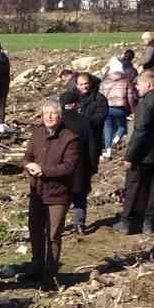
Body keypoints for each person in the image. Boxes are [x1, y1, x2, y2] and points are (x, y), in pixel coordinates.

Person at [24, 101, 80, 287]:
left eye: (53, 113)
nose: (49, 116)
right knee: (35, 229)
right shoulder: (37, 133)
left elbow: (69, 167)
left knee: (53, 234)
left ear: (60, 116)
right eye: (46, 113)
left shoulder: (70, 138)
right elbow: (28, 156)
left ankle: (50, 274)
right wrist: (29, 166)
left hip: (58, 194)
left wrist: (44, 171)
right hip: (37, 191)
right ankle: (36, 265)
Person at [119, 73, 154, 235]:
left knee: (133, 187)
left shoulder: (146, 102)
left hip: (143, 153)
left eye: (139, 85)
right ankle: (148, 223)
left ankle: (126, 222)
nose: (136, 88)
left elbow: (140, 132)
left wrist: (130, 156)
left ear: (149, 85)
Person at [62, 73, 106, 233]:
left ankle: (78, 222)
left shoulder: (99, 100)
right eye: (80, 84)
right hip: (72, 151)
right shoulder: (71, 99)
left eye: (86, 84)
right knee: (67, 189)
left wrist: (80, 120)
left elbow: (98, 120)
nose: (83, 87)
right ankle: (62, 221)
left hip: (88, 148)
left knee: (80, 188)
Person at [101, 61, 133, 156]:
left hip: (107, 108)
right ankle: (115, 142)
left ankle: (108, 150)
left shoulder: (104, 81)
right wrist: (132, 110)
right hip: (120, 108)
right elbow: (130, 97)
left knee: (107, 129)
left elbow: (101, 96)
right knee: (122, 127)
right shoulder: (126, 81)